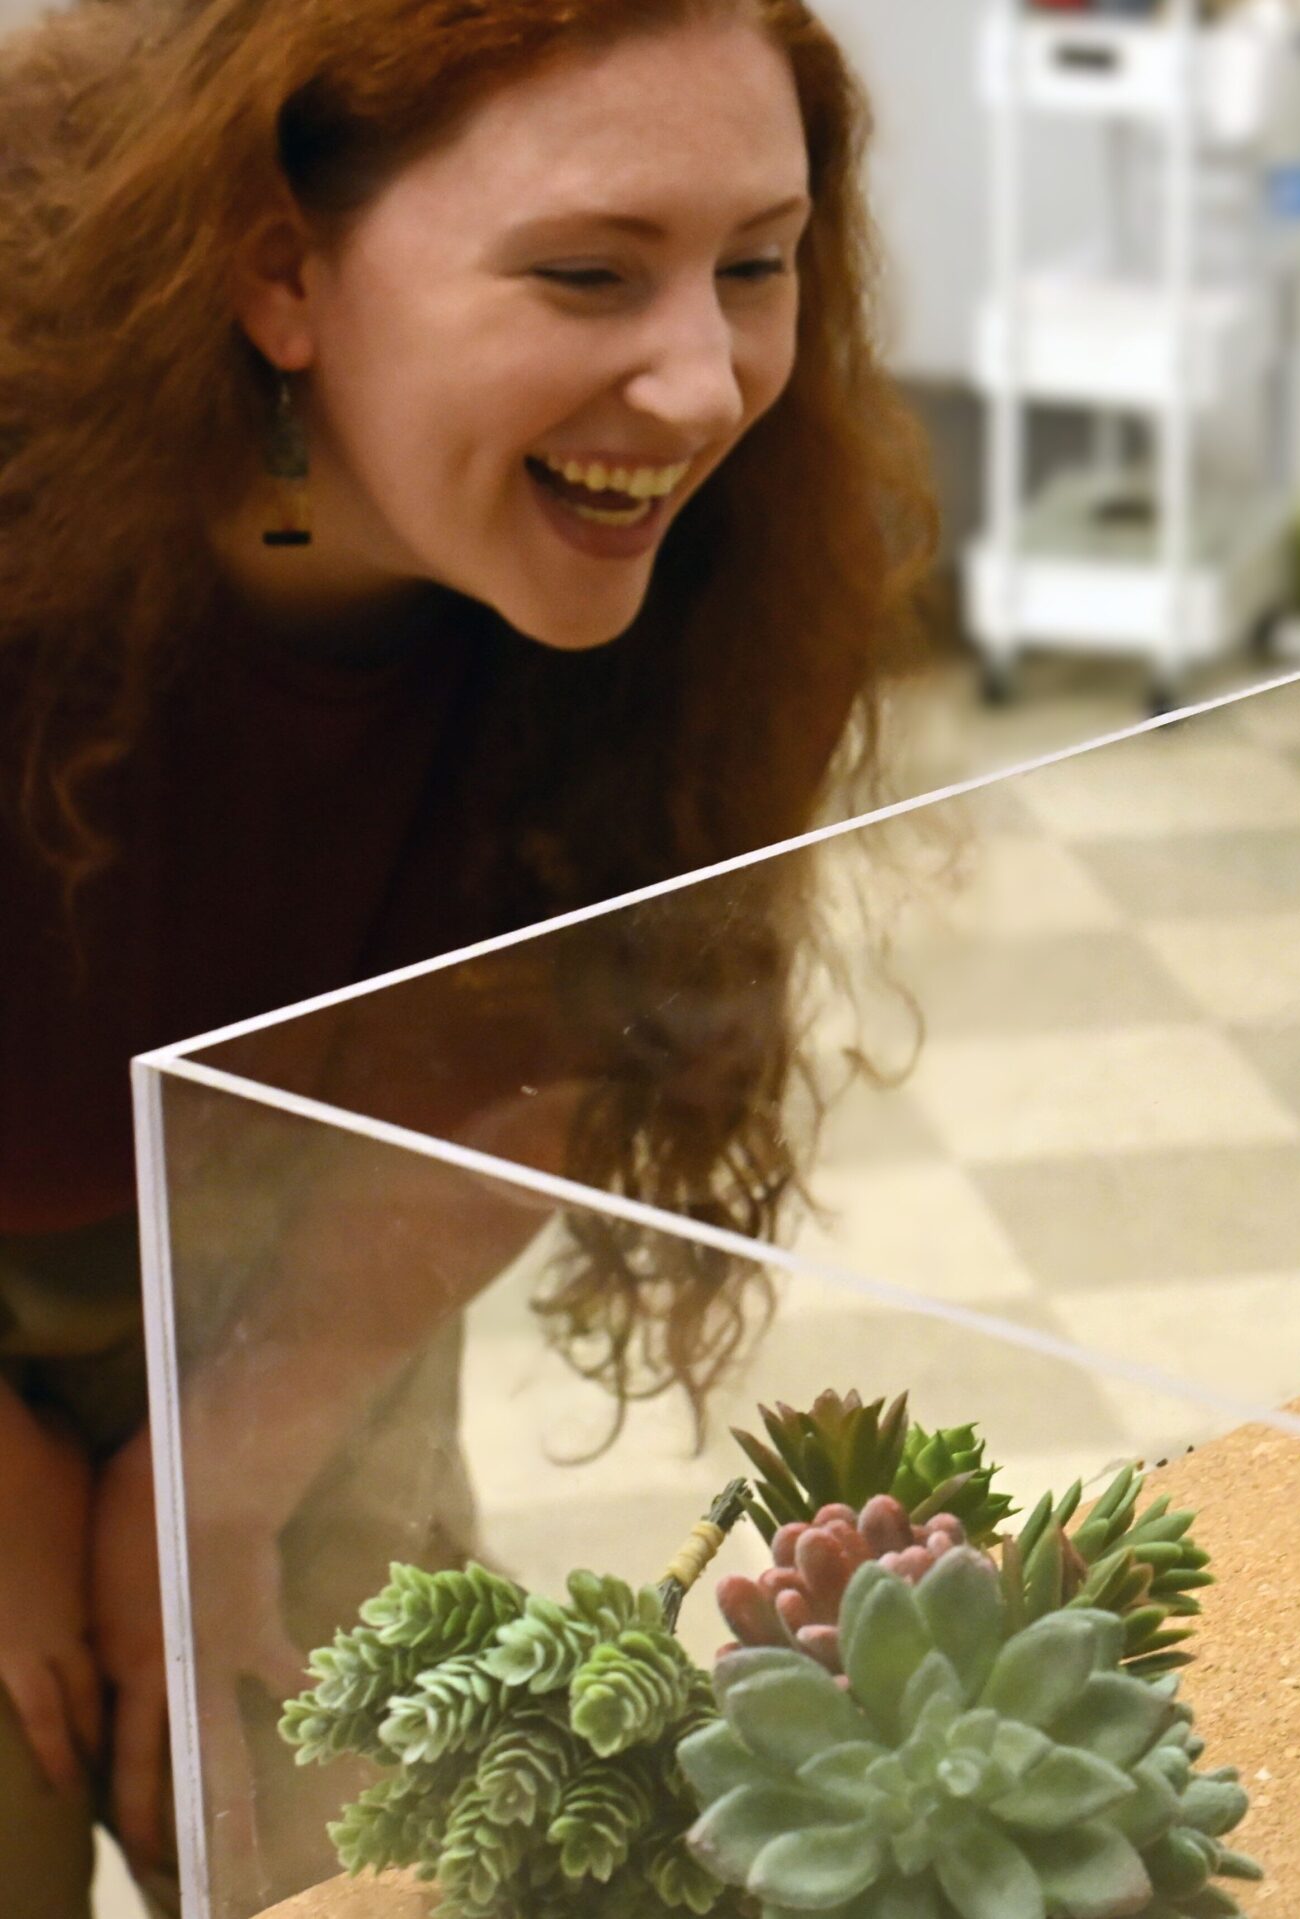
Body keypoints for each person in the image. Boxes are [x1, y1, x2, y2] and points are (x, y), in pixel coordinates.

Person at [0, 0, 934, 1911]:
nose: (701, 384)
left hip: (287, 1228)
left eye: (757, 265)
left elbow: (529, 1042)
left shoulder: (723, 558)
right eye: (588, 275)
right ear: (279, 268)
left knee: (387, 1827)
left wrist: (225, 1468)